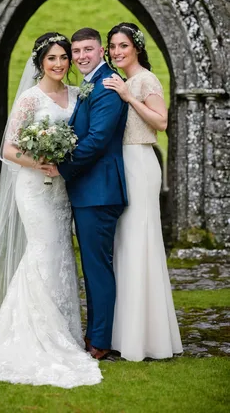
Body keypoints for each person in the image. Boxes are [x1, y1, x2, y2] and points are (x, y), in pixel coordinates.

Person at [0, 32, 102, 388]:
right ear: (40, 62)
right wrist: (40, 160)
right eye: (52, 58)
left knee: (61, 253)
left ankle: (64, 331)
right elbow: (8, 149)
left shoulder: (76, 94)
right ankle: (33, 334)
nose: (59, 64)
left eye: (63, 58)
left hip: (63, 189)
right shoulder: (30, 98)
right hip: (34, 187)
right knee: (42, 250)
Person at [40, 28, 128, 360]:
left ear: (101, 51)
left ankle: (100, 341)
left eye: (87, 50)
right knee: (93, 266)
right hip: (88, 191)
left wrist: (62, 168)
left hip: (100, 192)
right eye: (75, 51)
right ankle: (95, 333)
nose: (80, 57)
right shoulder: (91, 84)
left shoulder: (106, 86)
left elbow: (97, 140)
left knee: (96, 268)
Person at [103, 22, 183, 361]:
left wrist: (127, 97)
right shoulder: (124, 80)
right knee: (126, 244)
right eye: (113, 47)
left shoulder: (145, 80)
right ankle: (126, 333)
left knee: (141, 243)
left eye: (123, 45)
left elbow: (161, 122)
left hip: (140, 160)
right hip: (124, 163)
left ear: (136, 47)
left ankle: (148, 338)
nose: (117, 52)